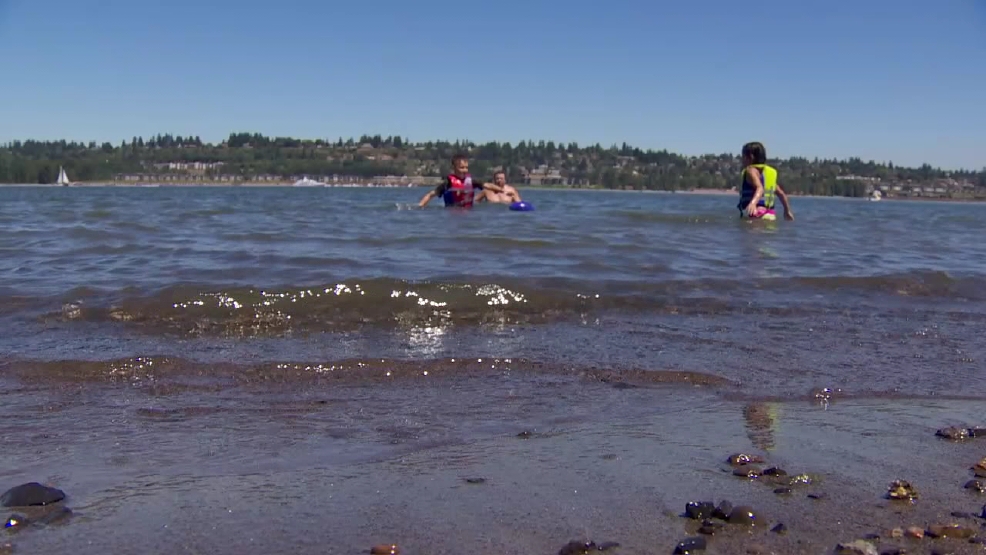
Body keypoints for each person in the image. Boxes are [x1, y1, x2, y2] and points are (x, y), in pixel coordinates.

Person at [418, 153, 507, 208]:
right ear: (454, 168)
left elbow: (487, 185)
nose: (465, 170)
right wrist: (420, 206)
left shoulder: (471, 181)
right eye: (461, 168)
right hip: (452, 213)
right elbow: (430, 195)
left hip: (468, 213)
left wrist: (500, 190)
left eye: (466, 167)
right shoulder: (448, 183)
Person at [737, 141, 794, 221]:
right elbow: (781, 194)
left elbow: (760, 188)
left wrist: (753, 204)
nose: (742, 159)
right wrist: (787, 210)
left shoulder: (751, 171)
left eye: (743, 156)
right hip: (770, 214)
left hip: (756, 213)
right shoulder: (767, 174)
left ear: (750, 157)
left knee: (748, 232)